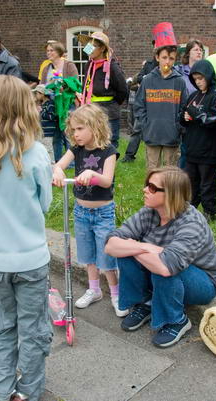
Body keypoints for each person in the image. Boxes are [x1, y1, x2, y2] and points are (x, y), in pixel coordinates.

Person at [0, 75, 53, 401]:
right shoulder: (36, 155)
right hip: (30, 256)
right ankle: (30, 392)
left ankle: (0, 390)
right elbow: (43, 205)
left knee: (2, 324)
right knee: (33, 329)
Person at [104, 166, 216, 348]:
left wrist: (135, 247)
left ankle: (177, 320)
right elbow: (111, 245)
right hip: (165, 266)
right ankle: (145, 302)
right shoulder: (149, 212)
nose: (145, 189)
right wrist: (144, 246)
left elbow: (166, 268)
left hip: (202, 282)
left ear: (171, 194)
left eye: (152, 187)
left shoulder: (192, 222)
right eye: (147, 185)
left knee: (161, 267)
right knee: (127, 256)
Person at [52, 104, 125, 316]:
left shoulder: (108, 152)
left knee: (106, 256)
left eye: (80, 129)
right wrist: (57, 171)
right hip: (81, 212)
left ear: (95, 126)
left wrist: (92, 173)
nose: (75, 134)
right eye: (73, 130)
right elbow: (59, 165)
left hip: (103, 213)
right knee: (87, 255)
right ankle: (94, 290)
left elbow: (107, 181)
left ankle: (115, 293)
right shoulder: (76, 150)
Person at [134, 22, 188, 170]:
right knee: (153, 170)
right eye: (164, 57)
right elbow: (139, 106)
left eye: (171, 58)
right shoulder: (148, 80)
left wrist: (178, 126)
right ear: (157, 57)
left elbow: (185, 108)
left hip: (172, 136)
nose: (167, 61)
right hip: (152, 135)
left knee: (171, 171)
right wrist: (146, 125)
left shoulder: (179, 82)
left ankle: (170, 194)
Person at [179, 59, 216, 222]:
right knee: (192, 182)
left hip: (209, 149)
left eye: (201, 78)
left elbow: (215, 120)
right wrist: (185, 117)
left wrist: (196, 114)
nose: (198, 82)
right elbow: (182, 116)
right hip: (192, 147)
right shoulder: (193, 95)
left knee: (208, 183)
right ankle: (191, 209)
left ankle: (210, 211)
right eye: (195, 79)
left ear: (208, 77)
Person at [77, 32, 128, 149]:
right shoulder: (89, 64)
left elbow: (123, 90)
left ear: (102, 48)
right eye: (88, 45)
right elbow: (86, 85)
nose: (89, 49)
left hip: (108, 113)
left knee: (108, 144)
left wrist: (111, 104)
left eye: (93, 46)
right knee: (92, 143)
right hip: (90, 111)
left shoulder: (112, 66)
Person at [38, 41, 80, 162]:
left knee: (68, 132)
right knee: (55, 134)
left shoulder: (68, 65)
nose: (49, 53)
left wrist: (64, 86)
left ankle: (71, 162)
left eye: (51, 50)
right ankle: (57, 161)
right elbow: (42, 85)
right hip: (51, 104)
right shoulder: (47, 68)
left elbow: (75, 83)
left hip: (67, 103)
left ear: (59, 52)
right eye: (47, 51)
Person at [120, 43, 158, 163]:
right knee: (137, 129)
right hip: (147, 103)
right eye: (155, 45)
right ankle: (129, 155)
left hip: (162, 103)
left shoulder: (171, 66)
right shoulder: (148, 65)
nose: (156, 47)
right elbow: (140, 77)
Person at [176, 39, 204, 169]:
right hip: (183, 115)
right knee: (184, 150)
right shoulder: (180, 72)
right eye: (196, 49)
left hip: (199, 115)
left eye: (201, 50)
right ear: (188, 53)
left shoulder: (206, 71)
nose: (199, 52)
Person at [33, 84, 56, 162]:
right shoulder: (42, 104)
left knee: (49, 149)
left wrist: (41, 111)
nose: (35, 95)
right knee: (40, 148)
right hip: (42, 131)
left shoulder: (50, 103)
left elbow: (51, 117)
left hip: (48, 131)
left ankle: (52, 164)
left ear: (42, 94)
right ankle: (42, 162)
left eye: (37, 93)